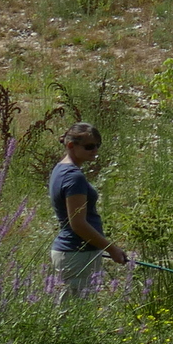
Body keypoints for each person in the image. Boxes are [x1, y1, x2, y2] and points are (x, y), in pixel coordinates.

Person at [49, 122, 127, 298]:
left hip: (75, 254)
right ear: (71, 146)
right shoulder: (73, 177)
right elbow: (78, 223)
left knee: (77, 314)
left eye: (98, 145)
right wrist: (111, 249)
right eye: (89, 146)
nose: (95, 150)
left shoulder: (61, 169)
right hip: (76, 254)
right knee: (73, 317)